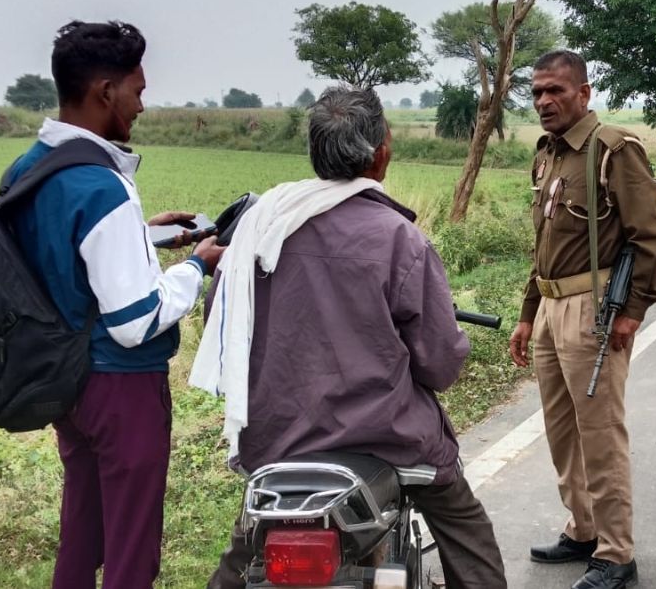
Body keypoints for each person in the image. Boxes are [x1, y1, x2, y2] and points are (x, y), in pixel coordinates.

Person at [198, 85, 507, 589]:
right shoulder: (397, 238)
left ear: (315, 153)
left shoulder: (259, 230)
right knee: (467, 535)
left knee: (242, 559)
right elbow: (441, 365)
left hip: (277, 444)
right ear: (381, 150)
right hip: (392, 442)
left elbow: (222, 327)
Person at [5, 20, 224, 589]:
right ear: (106, 91)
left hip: (65, 382)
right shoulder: (102, 186)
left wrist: (144, 234)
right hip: (122, 385)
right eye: (139, 90)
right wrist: (196, 266)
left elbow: (63, 254)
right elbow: (134, 320)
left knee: (82, 528)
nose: (143, 105)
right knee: (131, 546)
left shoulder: (29, 168)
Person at [508, 50, 656, 589]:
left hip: (592, 310)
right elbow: (544, 245)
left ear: (584, 93)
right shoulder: (547, 155)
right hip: (551, 309)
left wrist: (632, 313)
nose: (544, 102)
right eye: (536, 93)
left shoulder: (612, 150)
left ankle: (616, 551)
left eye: (555, 90)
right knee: (561, 433)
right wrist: (528, 314)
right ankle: (581, 530)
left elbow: (651, 239)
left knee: (599, 434)